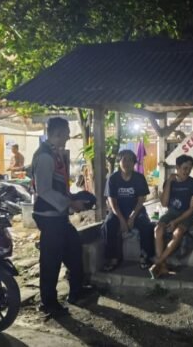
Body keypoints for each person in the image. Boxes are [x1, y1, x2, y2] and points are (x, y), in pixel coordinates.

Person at [31, 117, 90, 317]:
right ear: (58, 132)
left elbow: (58, 186)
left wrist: (71, 198)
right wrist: (71, 203)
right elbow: (44, 190)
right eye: (67, 132)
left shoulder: (54, 153)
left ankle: (76, 292)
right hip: (48, 216)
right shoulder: (45, 156)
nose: (68, 136)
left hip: (58, 215)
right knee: (51, 261)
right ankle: (49, 303)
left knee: (74, 251)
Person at [101, 149, 155, 272]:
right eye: (124, 160)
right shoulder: (113, 179)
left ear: (134, 163)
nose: (127, 163)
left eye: (130, 160)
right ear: (119, 162)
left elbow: (141, 200)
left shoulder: (139, 178)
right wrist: (121, 220)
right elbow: (112, 202)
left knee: (146, 225)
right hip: (117, 210)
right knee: (108, 224)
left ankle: (145, 257)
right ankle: (113, 258)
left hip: (136, 210)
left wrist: (132, 217)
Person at [149, 155, 193, 279]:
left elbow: (192, 208)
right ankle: (162, 266)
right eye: (184, 168)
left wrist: (175, 222)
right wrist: (168, 183)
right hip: (171, 213)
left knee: (178, 232)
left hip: (187, 214)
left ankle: (158, 262)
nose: (187, 171)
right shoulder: (169, 182)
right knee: (158, 230)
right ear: (177, 167)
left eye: (189, 169)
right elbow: (164, 203)